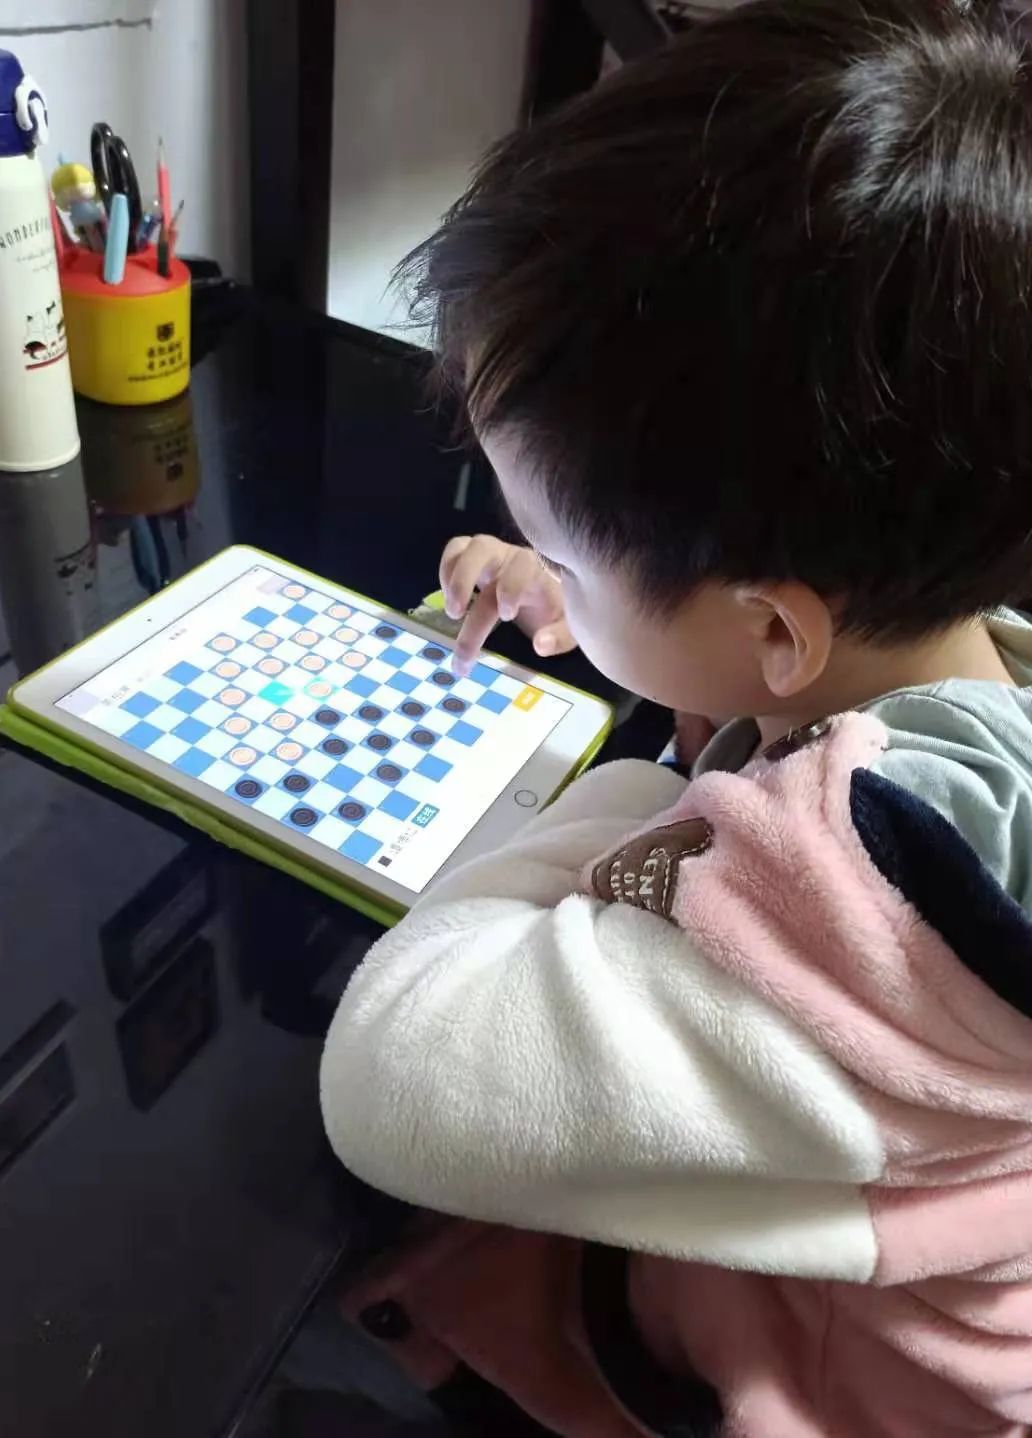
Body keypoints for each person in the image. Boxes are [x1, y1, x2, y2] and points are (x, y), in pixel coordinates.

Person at [320, 1, 1032, 1433]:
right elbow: (778, 680)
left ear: (773, 627)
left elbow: (388, 1073)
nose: (553, 579)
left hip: (861, 1388)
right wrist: (619, 603)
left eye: (563, 550)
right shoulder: (963, 661)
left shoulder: (870, 897)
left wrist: (629, 786)